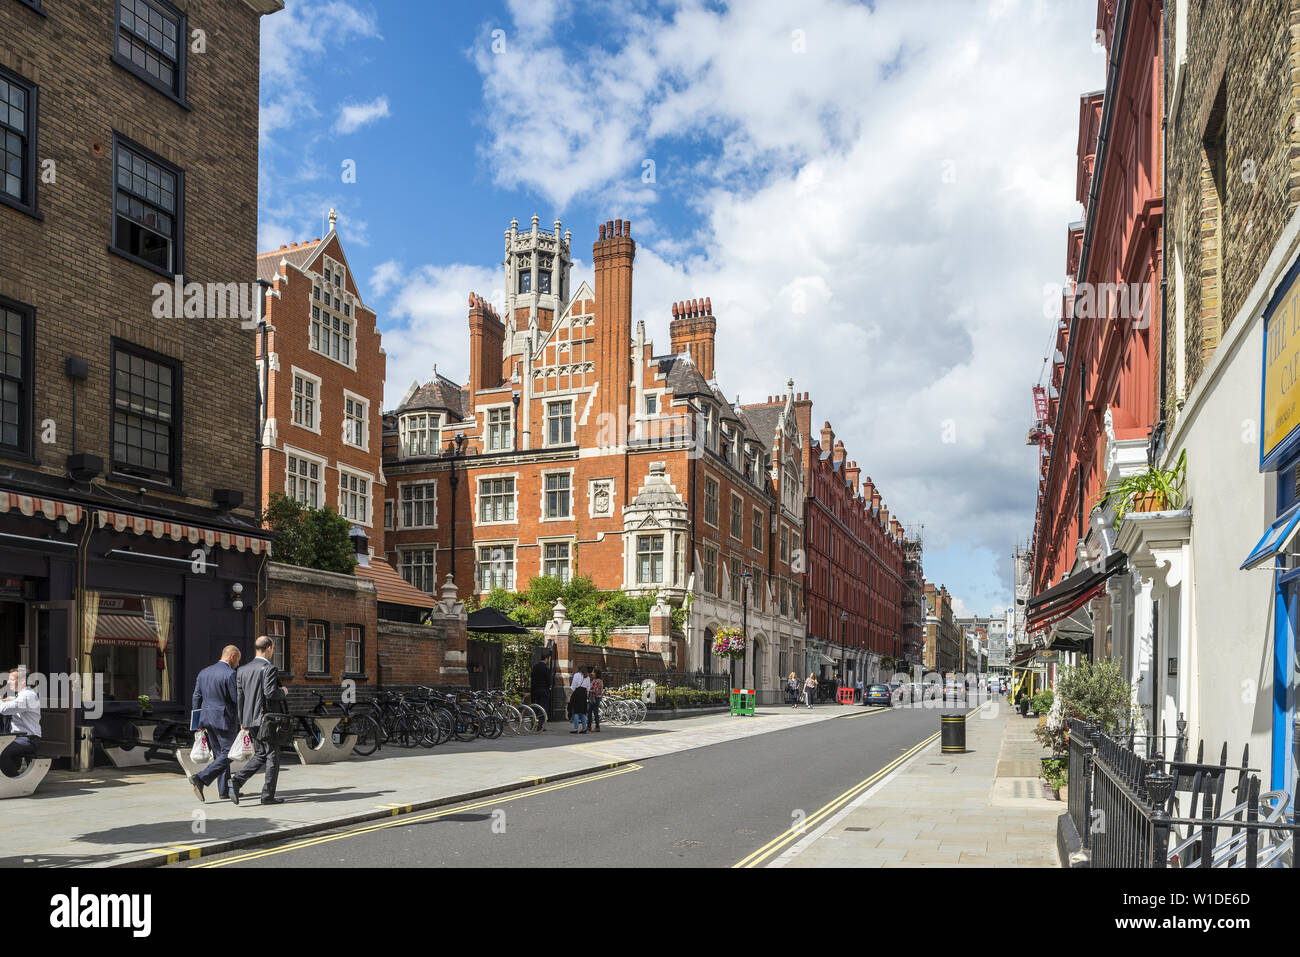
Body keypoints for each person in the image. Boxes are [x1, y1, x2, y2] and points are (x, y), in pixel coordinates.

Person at [229, 635, 288, 806]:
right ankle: (268, 795)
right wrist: (283, 691)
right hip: (267, 720)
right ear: (268, 648)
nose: (273, 650)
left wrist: (242, 721)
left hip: (250, 719)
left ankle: (236, 781)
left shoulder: (242, 670)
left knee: (261, 753)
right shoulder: (269, 669)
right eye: (273, 648)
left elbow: (240, 698)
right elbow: (270, 693)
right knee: (273, 756)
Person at [187, 645, 241, 803]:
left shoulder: (204, 672)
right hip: (224, 719)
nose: (238, 664)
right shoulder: (230, 674)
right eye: (238, 660)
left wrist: (197, 722)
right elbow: (236, 699)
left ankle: (223, 791)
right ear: (231, 657)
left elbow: (196, 697)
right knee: (230, 753)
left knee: (220, 755)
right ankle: (201, 778)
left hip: (206, 718)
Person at [0, 666, 40, 777]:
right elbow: (11, 702)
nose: (8, 682)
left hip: (29, 739)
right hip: (18, 738)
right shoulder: (22, 695)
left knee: (3, 753)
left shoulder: (28, 696)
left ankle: (13, 780)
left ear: (22, 681)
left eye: (12, 679)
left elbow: (4, 709)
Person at [568, 665, 589, 734]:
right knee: (583, 711)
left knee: (576, 711)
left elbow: (573, 686)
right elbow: (588, 689)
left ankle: (576, 728)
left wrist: (569, 696)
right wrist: (586, 697)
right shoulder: (587, 676)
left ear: (578, 669)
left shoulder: (576, 675)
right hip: (584, 694)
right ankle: (584, 728)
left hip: (577, 693)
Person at [588, 667, 604, 732]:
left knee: (594, 712)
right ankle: (589, 726)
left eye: (593, 672)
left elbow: (595, 690)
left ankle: (597, 727)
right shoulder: (596, 680)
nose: (592, 673)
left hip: (595, 697)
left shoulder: (597, 681)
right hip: (595, 697)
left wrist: (588, 690)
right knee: (590, 711)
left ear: (596, 673)